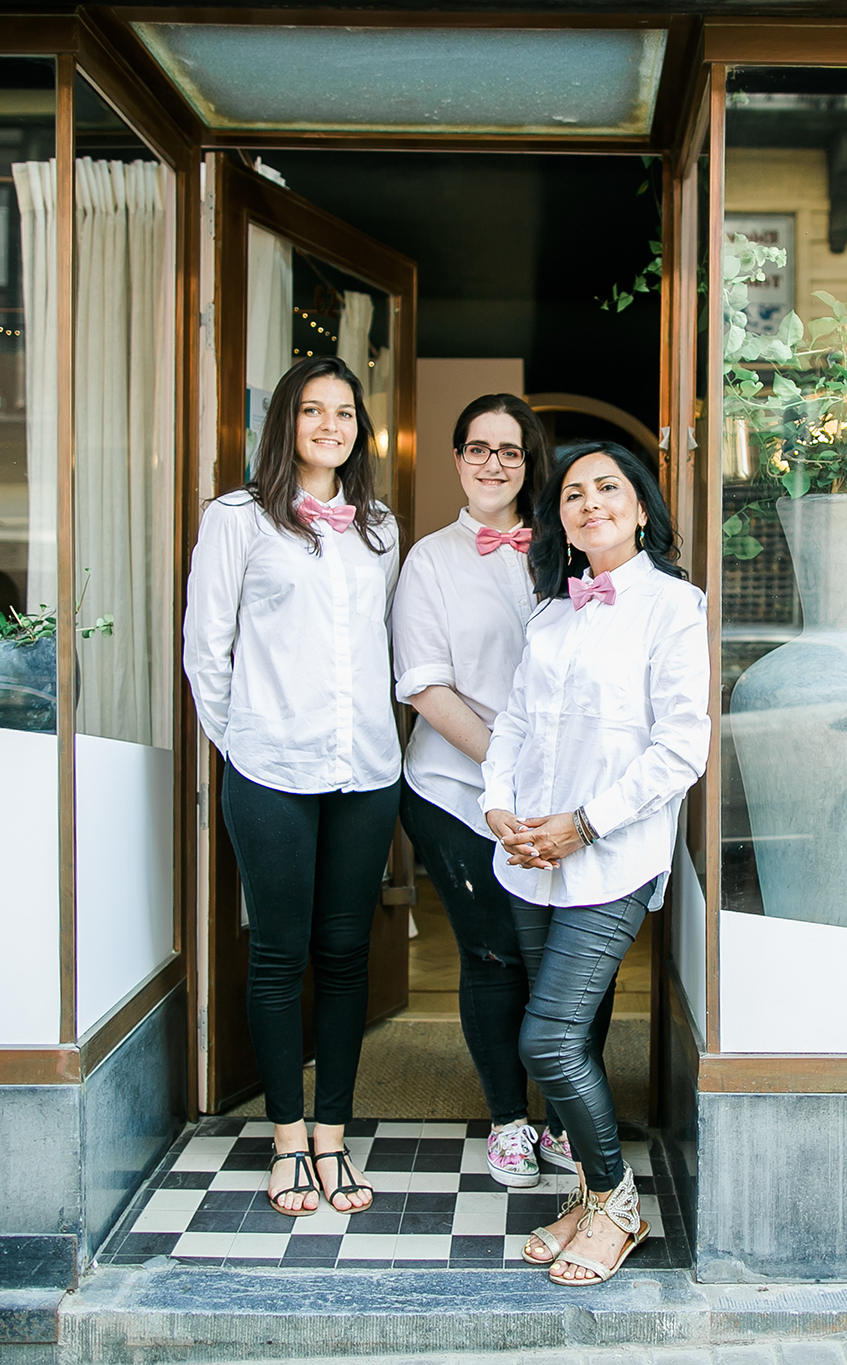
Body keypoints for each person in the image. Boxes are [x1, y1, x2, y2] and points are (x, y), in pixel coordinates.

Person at [481, 441, 709, 1286]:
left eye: (608, 488)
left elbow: (682, 747)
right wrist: (497, 807)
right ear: (560, 521)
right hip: (528, 856)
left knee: (545, 1039)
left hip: (610, 859)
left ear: (642, 509)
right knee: (566, 1036)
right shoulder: (550, 612)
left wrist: (584, 823)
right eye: (572, 494)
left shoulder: (675, 607)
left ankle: (617, 1200)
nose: (589, 503)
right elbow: (513, 724)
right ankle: (585, 1193)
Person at [183, 355, 399, 1219]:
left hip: (365, 772)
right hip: (270, 768)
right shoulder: (237, 519)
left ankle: (334, 1134)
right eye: (313, 410)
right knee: (278, 954)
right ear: (285, 422)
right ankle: (285, 1137)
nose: (330, 425)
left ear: (359, 428)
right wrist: (244, 744)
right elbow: (209, 650)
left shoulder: (379, 526)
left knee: (346, 955)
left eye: (345, 412)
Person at [392, 396, 622, 1191]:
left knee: (569, 958)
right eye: (478, 448)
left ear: (534, 464)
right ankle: (507, 1121)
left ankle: (563, 1115)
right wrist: (511, 771)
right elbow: (424, 687)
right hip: (458, 790)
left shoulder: (574, 551)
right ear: (456, 458)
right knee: (493, 955)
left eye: (511, 451)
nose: (493, 463)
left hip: (569, 805)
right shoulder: (428, 561)